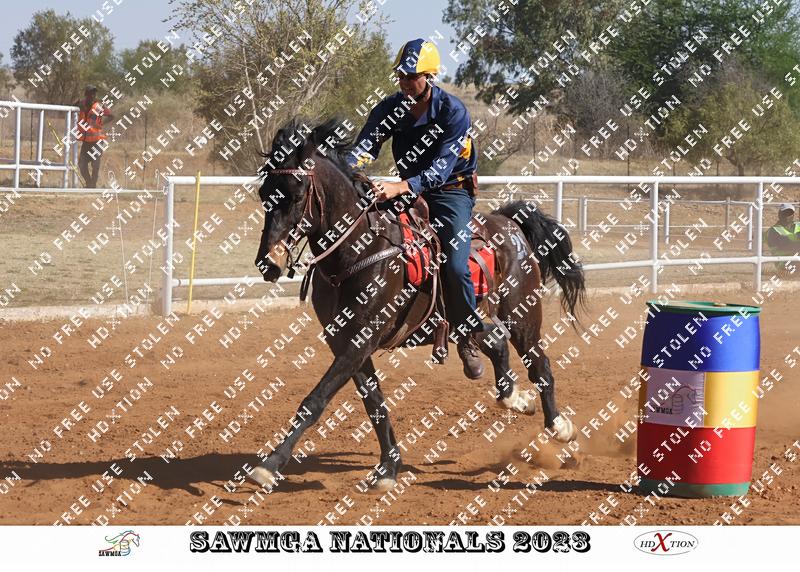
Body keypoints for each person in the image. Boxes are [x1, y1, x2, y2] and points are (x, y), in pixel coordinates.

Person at [347, 38, 489, 379]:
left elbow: (440, 169)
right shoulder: (390, 108)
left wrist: (400, 186)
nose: (405, 82)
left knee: (455, 265)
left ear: (429, 76)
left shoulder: (453, 111)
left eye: (412, 76)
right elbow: (365, 147)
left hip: (451, 192)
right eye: (401, 76)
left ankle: (467, 335)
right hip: (408, 189)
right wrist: (345, 167)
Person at [74, 85, 112, 188]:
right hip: (86, 141)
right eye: (90, 93)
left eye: (94, 94)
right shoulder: (81, 104)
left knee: (95, 163)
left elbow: (111, 116)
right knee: (82, 164)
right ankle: (89, 183)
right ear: (86, 94)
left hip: (97, 140)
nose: (92, 96)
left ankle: (93, 185)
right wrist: (77, 104)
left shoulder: (99, 106)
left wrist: (101, 123)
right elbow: (71, 107)